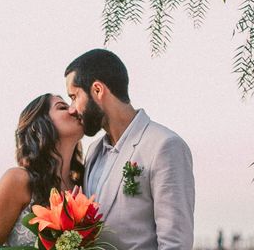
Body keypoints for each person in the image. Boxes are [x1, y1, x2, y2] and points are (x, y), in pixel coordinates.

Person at [65, 49, 195, 250]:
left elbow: (175, 244)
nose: (72, 109)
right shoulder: (93, 152)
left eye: (74, 97)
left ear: (97, 90)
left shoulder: (165, 146)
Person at [0, 93, 84, 248]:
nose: (73, 110)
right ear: (39, 125)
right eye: (62, 107)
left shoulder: (81, 188)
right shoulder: (18, 179)